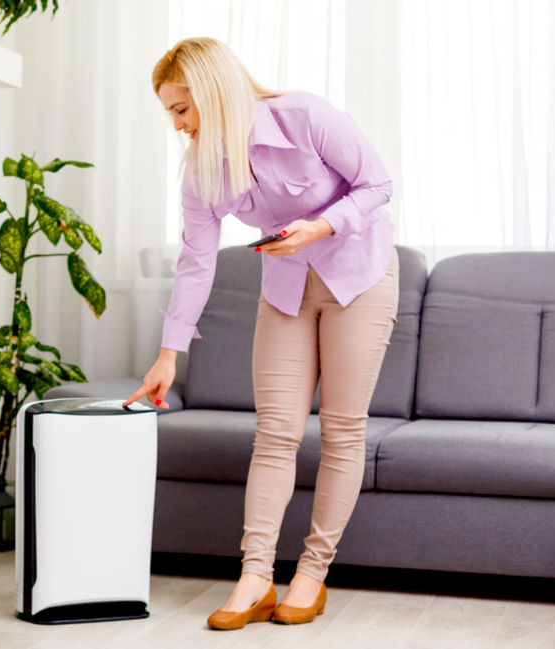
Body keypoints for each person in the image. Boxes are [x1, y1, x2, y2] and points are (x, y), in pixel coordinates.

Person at [125, 37, 399, 630]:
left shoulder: (305, 117)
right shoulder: (200, 172)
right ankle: (255, 579)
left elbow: (378, 185)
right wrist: (168, 356)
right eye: (170, 113)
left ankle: (312, 575)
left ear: (213, 93)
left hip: (360, 276)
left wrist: (320, 226)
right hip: (285, 290)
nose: (177, 126)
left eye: (181, 109)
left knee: (342, 430)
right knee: (275, 433)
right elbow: (195, 263)